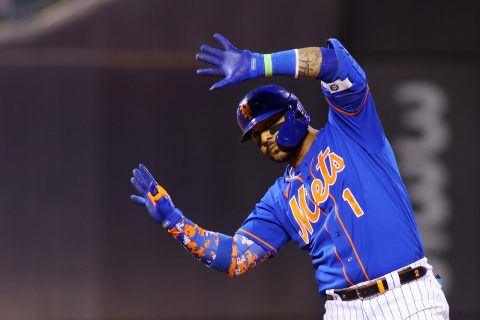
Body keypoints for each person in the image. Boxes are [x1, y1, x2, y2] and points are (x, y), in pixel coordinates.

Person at [130, 34, 449, 319]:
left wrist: (258, 64)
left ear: (296, 113)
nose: (265, 138)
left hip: (407, 298)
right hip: (343, 310)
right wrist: (174, 220)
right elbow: (235, 257)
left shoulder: (351, 128)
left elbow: (336, 63)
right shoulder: (279, 201)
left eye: (268, 125)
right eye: (255, 137)